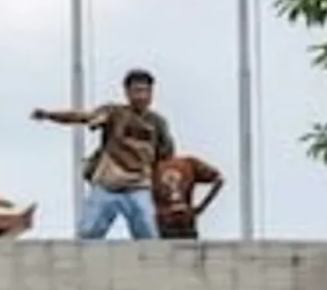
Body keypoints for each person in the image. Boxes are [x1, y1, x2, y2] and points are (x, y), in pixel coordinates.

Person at [31, 68, 175, 240]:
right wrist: (49, 115)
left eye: (146, 91)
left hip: (139, 186)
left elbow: (166, 157)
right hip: (108, 185)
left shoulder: (157, 123)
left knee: (149, 234)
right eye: (137, 91)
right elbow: (81, 117)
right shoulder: (114, 112)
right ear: (127, 93)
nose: (142, 96)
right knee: (88, 233)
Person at [151, 155, 224, 240]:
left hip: (165, 220)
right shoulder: (189, 163)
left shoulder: (153, 167)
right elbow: (219, 179)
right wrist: (202, 207)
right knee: (189, 250)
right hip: (185, 217)